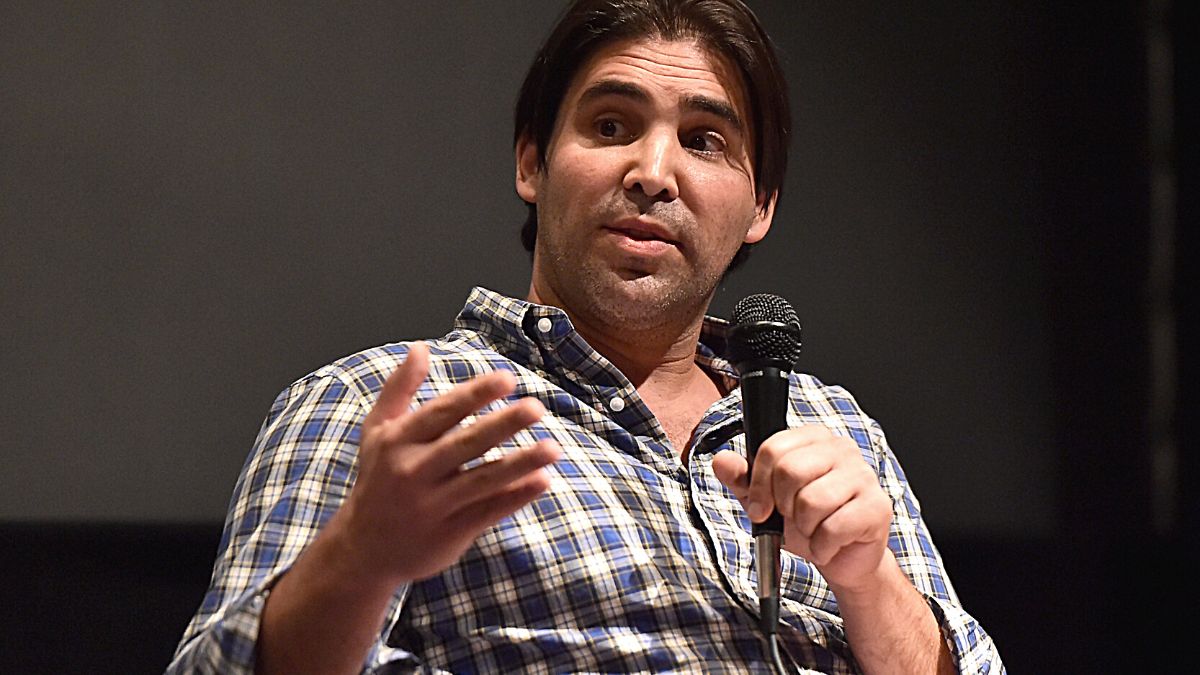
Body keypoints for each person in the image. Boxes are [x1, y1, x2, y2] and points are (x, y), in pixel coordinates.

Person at [168, 0, 1004, 672]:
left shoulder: (835, 428)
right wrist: (358, 560)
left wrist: (870, 581)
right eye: (610, 127)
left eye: (705, 140)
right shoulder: (381, 406)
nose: (653, 171)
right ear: (532, 163)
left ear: (761, 206)